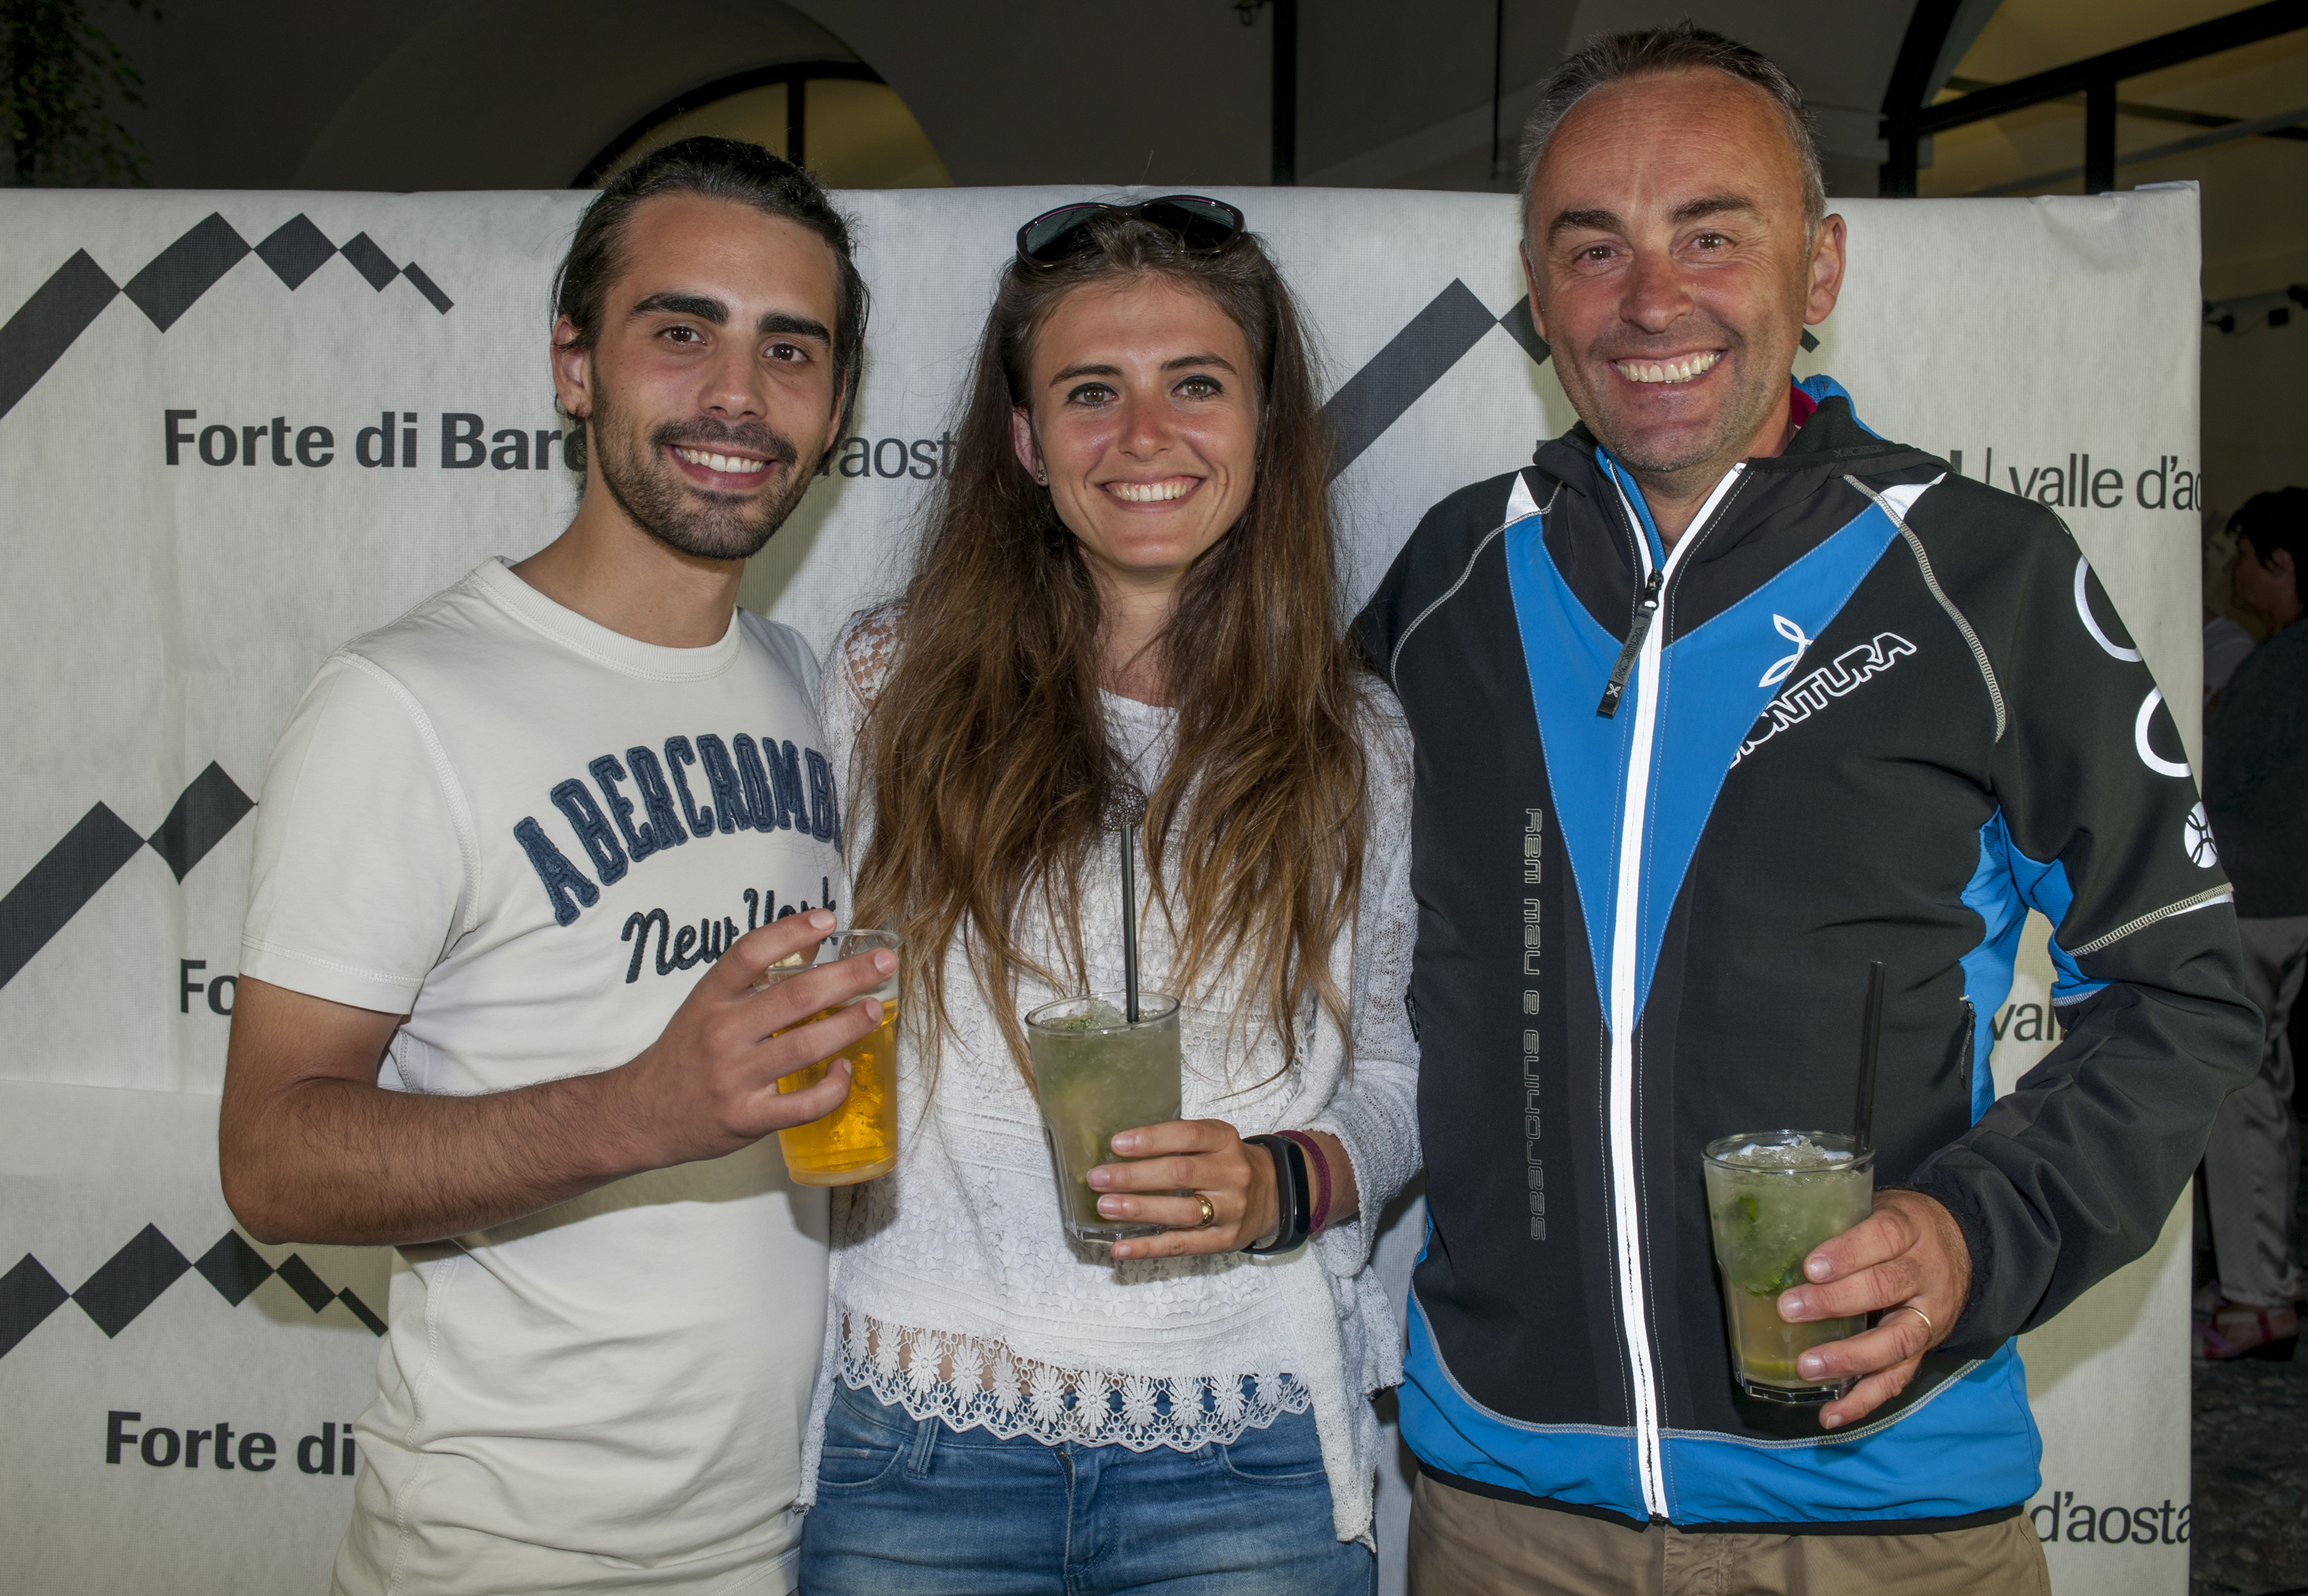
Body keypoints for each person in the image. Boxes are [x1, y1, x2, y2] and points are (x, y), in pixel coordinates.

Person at [1355, 26, 2259, 1594]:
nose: (1652, 300)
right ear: (1538, 291)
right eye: (1594, 246)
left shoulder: (1978, 572)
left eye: (1712, 233)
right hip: (1504, 1511)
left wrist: (1976, 1233)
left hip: (1881, 1513)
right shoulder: (1450, 579)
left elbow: (2181, 989)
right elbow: (1287, 919)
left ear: (1819, 266)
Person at [218, 138, 891, 1596]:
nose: (738, 393)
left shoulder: (812, 688)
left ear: (837, 409)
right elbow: (270, 1160)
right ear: (573, 365)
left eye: (790, 350)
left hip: (792, 1531)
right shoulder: (404, 702)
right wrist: (637, 1110)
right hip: (509, 1555)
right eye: (681, 331)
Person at [794, 198, 1417, 1594]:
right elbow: (825, 1001)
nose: (1144, 435)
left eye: (1196, 384)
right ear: (1025, 441)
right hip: (917, 1444)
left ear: (1265, 425)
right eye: (1090, 392)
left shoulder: (1356, 741)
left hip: (1246, 1454)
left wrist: (1284, 1180)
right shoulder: (886, 687)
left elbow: (1397, 1073)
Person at [2199, 485, 2308, 1361]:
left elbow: (2219, 780)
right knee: (2265, 1088)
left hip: (2261, 900)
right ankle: (2268, 1273)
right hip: (2286, 899)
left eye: (2242, 556)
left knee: (2240, 1092)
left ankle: (2256, 1297)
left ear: (2281, 562)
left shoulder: (2282, 666)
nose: (2232, 575)